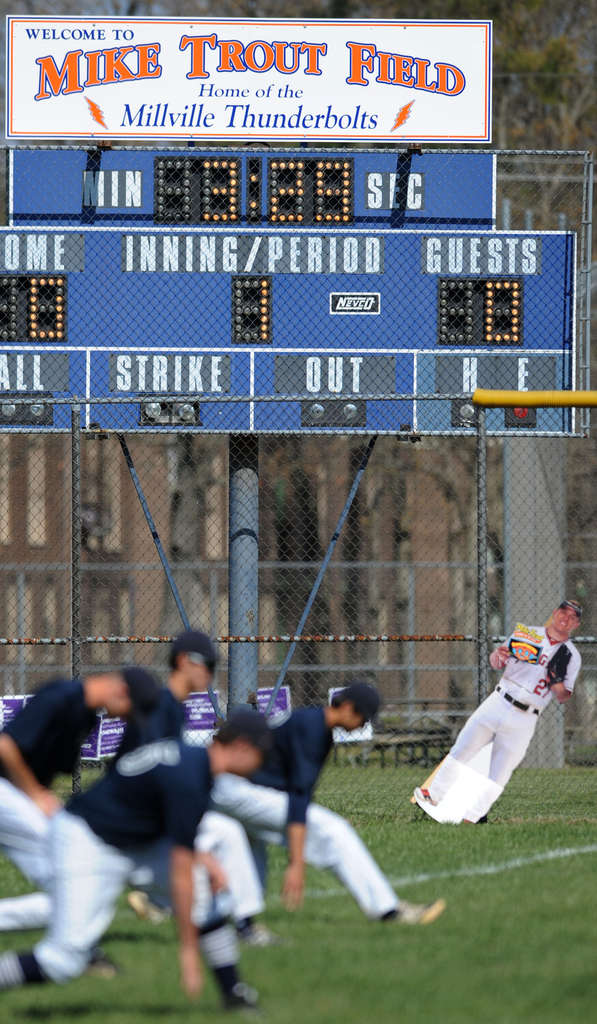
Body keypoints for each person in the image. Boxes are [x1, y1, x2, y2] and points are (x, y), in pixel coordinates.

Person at [0, 709, 272, 1011]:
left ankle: (234, 994)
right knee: (62, 960)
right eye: (262, 754)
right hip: (88, 841)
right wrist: (188, 954)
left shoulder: (191, 761)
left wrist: (205, 861)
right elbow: (180, 869)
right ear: (243, 747)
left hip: (128, 840)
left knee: (205, 896)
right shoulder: (190, 775)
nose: (262, 764)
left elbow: (159, 821)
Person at [210, 681, 445, 925]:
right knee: (334, 830)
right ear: (348, 707)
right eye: (363, 718)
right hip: (235, 789)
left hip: (233, 789)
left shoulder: (313, 723)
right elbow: (298, 799)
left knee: (249, 845)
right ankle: (388, 910)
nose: (362, 726)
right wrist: (297, 864)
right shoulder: (313, 730)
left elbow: (293, 789)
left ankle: (238, 923)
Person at [121, 630, 277, 947]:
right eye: (206, 663)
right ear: (182, 661)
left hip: (147, 810)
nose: (210, 672)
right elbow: (145, 772)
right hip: (132, 815)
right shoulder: (159, 707)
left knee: (226, 832)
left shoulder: (172, 708)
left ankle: (241, 922)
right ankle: (238, 925)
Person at [0, 667, 159, 927]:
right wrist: (36, 795)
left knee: (69, 880)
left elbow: (44, 770)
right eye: (130, 709)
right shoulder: (61, 696)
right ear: (121, 691)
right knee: (65, 868)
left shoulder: (85, 716)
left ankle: (77, 928)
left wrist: (44, 798)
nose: (125, 717)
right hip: (6, 791)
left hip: (15, 796)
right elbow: (5, 745)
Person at [414, 600, 583, 822]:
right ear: (554, 613)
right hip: (499, 699)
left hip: (526, 715)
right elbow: (497, 661)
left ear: (576, 624)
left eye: (572, 617)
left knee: (501, 770)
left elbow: (563, 695)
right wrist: (499, 656)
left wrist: (556, 681)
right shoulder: (529, 634)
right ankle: (433, 794)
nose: (565, 618)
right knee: (464, 746)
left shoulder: (571, 655)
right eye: (563, 612)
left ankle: (473, 815)